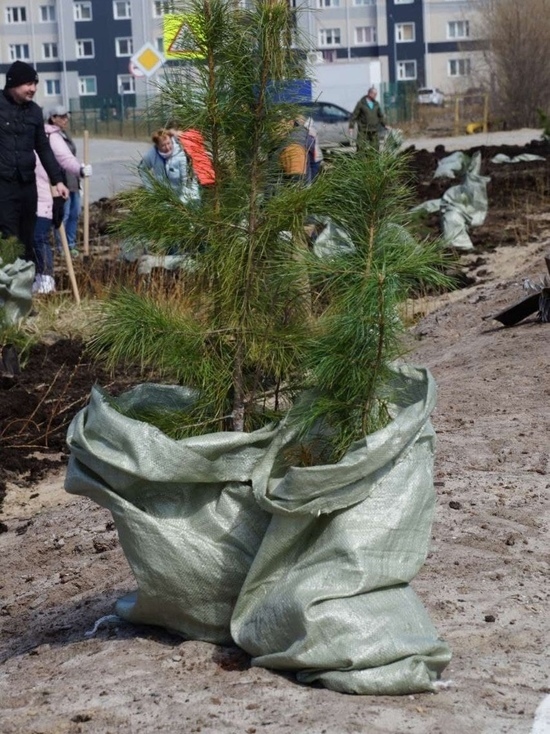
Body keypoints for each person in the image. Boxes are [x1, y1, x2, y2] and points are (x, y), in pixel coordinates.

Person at [0, 61, 68, 262]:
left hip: (27, 186)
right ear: (14, 83)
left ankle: (23, 288)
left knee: (26, 238)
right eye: (28, 84)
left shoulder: (35, 112)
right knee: (8, 237)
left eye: (35, 84)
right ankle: (8, 288)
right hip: (3, 185)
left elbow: (43, 148)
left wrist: (58, 180)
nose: (33, 89)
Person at [32, 114, 92, 294]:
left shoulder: (50, 136)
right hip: (18, 196)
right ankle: (30, 278)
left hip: (46, 195)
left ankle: (45, 278)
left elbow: (65, 158)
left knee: (39, 236)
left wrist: (80, 169)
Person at [49, 106, 85, 257]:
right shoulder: (50, 136)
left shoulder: (65, 135)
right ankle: (62, 248)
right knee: (63, 214)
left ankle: (70, 245)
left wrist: (79, 169)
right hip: (61, 181)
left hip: (73, 180)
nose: (65, 119)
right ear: (53, 118)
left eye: (66, 116)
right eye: (62, 117)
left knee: (75, 213)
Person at [138, 128, 200, 204]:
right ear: (157, 146)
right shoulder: (152, 154)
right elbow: (142, 169)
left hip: (189, 198)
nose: (167, 147)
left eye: (168, 143)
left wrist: (181, 203)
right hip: (167, 200)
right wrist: (151, 190)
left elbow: (187, 181)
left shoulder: (182, 154)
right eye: (163, 145)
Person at [348, 86, 388, 153]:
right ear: (370, 93)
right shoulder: (361, 103)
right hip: (363, 129)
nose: (375, 96)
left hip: (374, 129)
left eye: (376, 94)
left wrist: (385, 124)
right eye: (374, 94)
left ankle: (374, 161)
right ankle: (361, 161)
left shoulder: (376, 104)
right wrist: (351, 126)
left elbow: (380, 116)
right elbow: (354, 115)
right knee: (360, 147)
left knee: (375, 147)